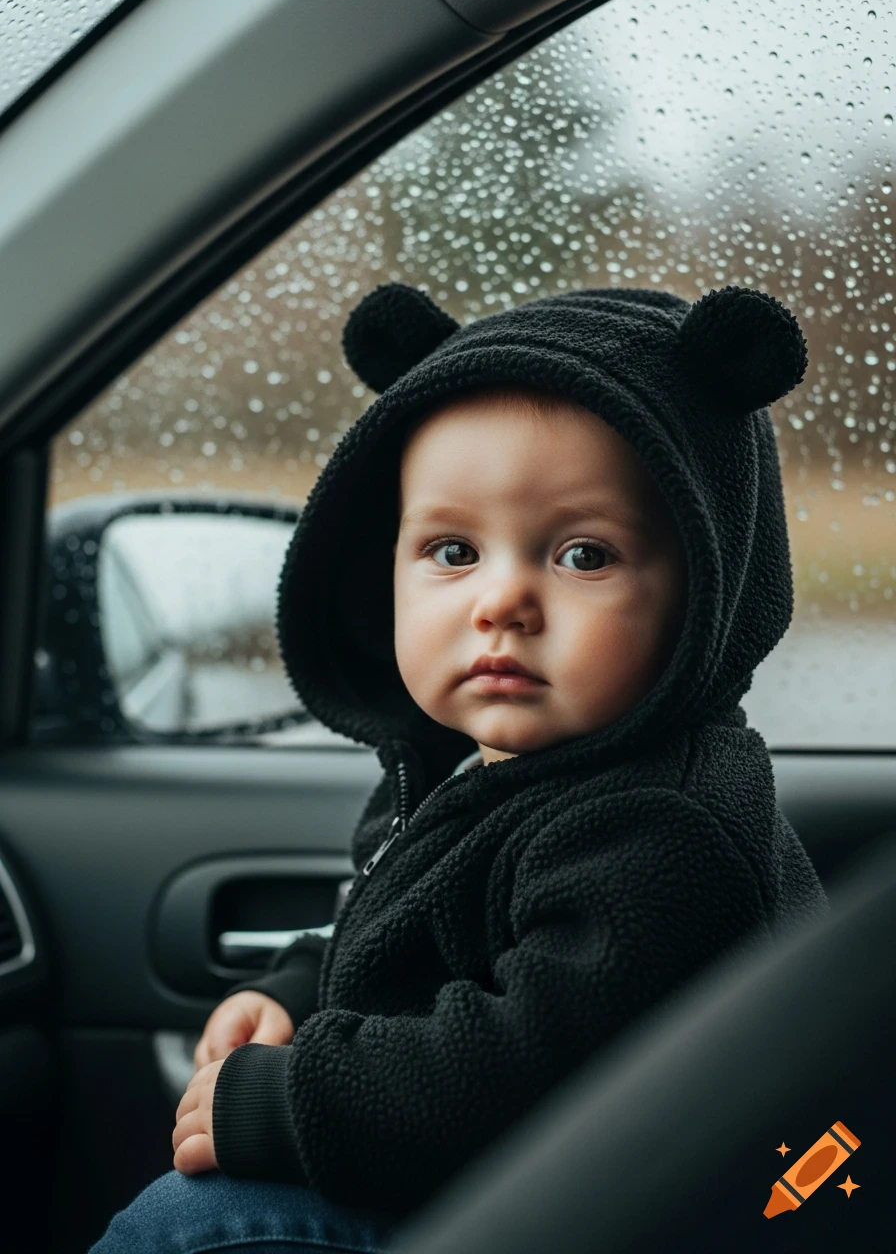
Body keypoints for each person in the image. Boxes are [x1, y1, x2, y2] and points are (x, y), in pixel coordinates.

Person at [88, 281, 830, 1253]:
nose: (502, 600)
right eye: (450, 548)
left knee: (186, 1227)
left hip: (631, 1210)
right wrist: (297, 993)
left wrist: (293, 1098)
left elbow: (535, 1072)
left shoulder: (661, 827)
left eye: (581, 553)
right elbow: (411, 934)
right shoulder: (469, 765)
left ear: (705, 585)